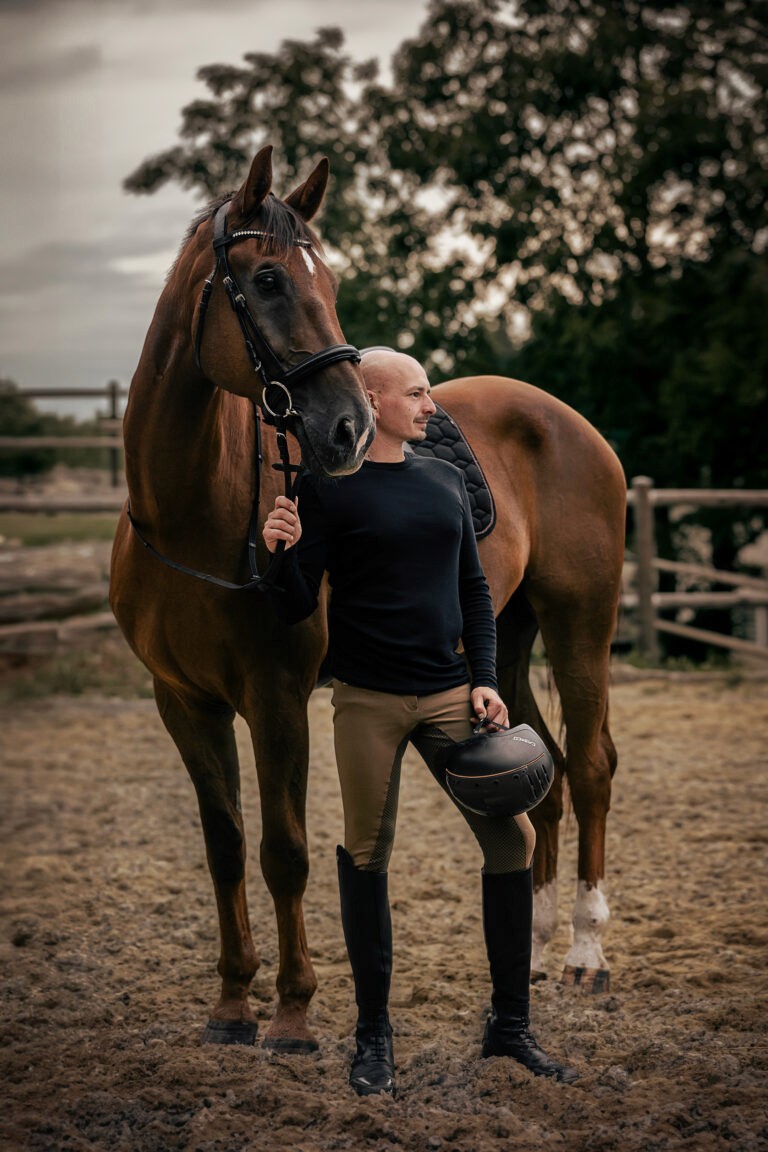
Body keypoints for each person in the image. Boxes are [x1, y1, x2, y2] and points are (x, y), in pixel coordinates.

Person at [263, 349, 576, 1096]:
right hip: (367, 701)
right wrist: (280, 552)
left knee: (516, 840)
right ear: (369, 399)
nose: (430, 405)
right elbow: (294, 606)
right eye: (415, 393)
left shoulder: (443, 480)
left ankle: (510, 1030)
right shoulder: (326, 491)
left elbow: (474, 587)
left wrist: (486, 681)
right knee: (366, 854)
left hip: (448, 695)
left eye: (429, 392)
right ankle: (373, 1038)